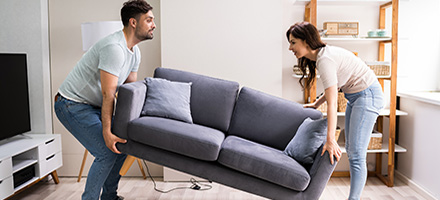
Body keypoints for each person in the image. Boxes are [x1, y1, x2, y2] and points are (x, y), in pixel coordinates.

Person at [54, 0, 156, 199]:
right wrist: (107, 132)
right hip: (71, 105)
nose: (153, 25)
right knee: (106, 151)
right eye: (149, 20)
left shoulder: (135, 52)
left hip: (93, 105)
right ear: (133, 22)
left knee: (121, 146)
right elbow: (108, 94)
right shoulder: (114, 48)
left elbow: (127, 93)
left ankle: (109, 196)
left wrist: (133, 126)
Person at [286, 22, 384, 200]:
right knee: (353, 151)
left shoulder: (325, 59)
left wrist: (330, 140)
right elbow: (334, 89)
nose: (290, 47)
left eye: (293, 42)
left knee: (355, 154)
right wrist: (316, 103)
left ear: (306, 41)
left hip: (367, 96)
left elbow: (332, 104)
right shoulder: (322, 56)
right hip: (356, 97)